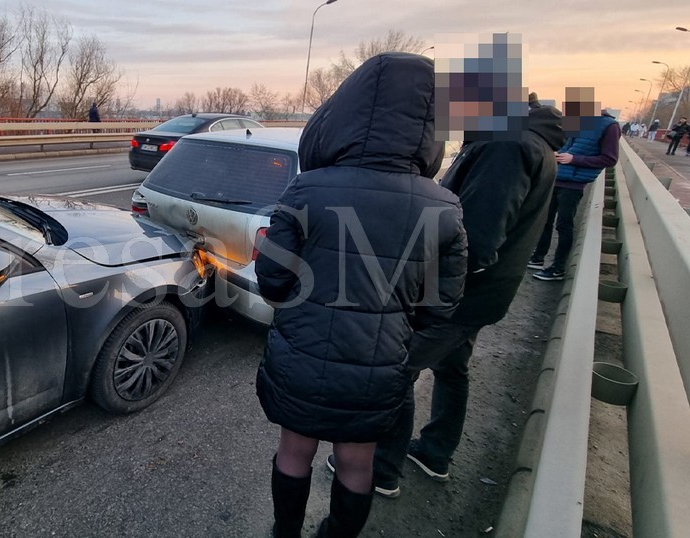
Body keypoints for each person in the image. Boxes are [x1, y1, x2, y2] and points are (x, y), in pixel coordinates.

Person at [255, 52, 467, 537]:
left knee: (294, 452)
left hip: (302, 356)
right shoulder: (444, 207)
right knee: (356, 463)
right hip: (378, 367)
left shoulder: (308, 188)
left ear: (344, 114)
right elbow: (442, 308)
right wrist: (396, 346)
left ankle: (284, 534)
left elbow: (272, 281)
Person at [363, 35, 565, 499]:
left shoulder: (505, 147)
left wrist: (426, 287)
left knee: (398, 371)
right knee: (454, 369)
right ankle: (435, 453)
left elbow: (476, 238)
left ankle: (382, 470)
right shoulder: (524, 140)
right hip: (486, 294)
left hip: (460, 296)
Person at [531, 101, 619, 280]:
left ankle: (558, 268)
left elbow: (609, 159)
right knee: (544, 221)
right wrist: (556, 154)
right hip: (556, 177)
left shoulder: (610, 126)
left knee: (564, 225)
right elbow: (566, 145)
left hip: (574, 184)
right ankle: (538, 258)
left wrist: (574, 159)